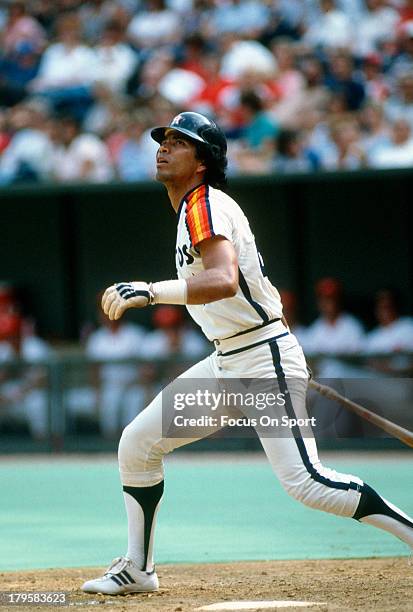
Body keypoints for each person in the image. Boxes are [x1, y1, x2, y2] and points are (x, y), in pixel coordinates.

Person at [81, 111, 413, 596]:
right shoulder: (192, 209)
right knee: (137, 443)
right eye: (164, 139)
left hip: (261, 359)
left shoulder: (204, 204)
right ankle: (138, 568)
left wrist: (150, 292)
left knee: (308, 484)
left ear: (202, 161)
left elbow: (222, 280)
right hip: (227, 362)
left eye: (178, 141)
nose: (164, 146)